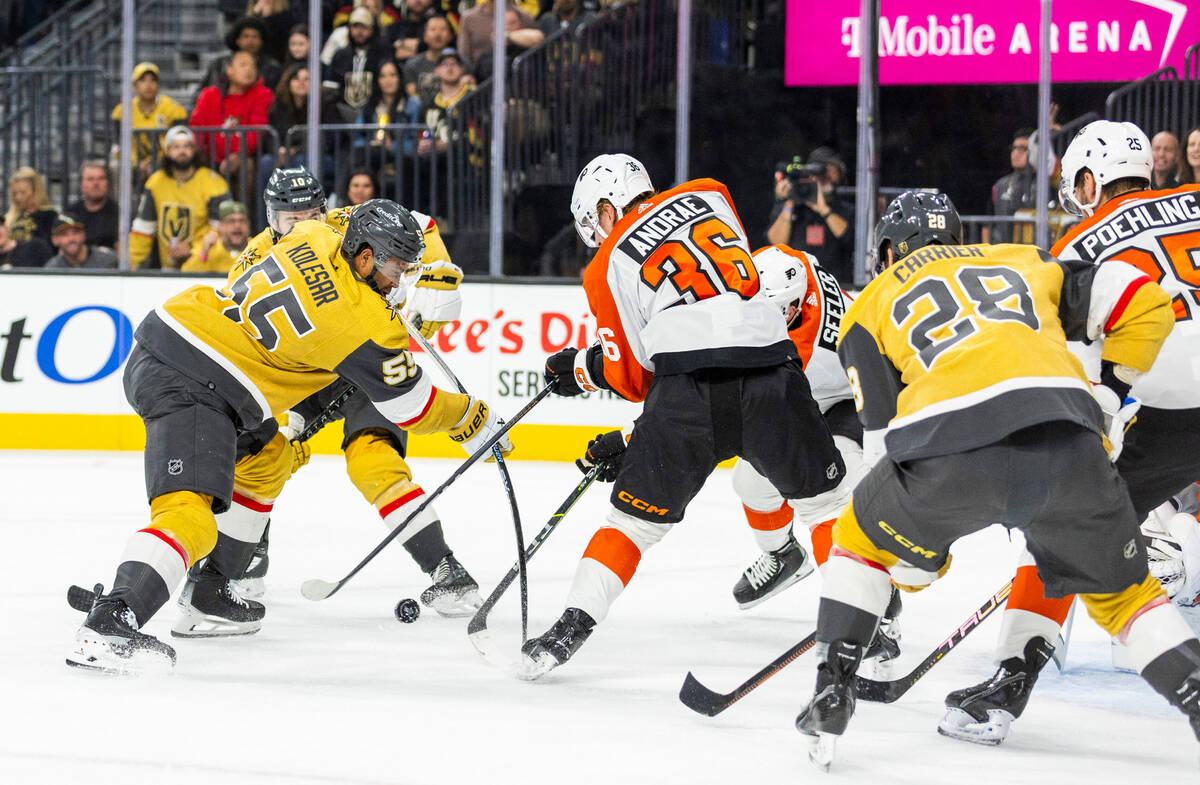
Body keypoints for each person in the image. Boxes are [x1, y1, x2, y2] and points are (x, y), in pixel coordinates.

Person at [793, 189, 1200, 770]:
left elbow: (885, 449)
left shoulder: (869, 304)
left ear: (887, 249)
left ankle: (832, 689)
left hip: (948, 453)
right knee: (1126, 596)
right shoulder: (1024, 258)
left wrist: (918, 558)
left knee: (856, 539)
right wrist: (1105, 402)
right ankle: (1194, 688)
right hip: (1068, 441)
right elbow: (1147, 302)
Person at [66, 197, 512, 672]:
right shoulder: (362, 324)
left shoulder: (315, 234)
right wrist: (475, 419)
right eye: (396, 268)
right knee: (189, 517)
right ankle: (111, 620)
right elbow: (415, 407)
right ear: (364, 257)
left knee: (269, 459)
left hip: (187, 340)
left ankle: (210, 593)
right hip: (195, 379)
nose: (398, 281)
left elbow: (354, 216)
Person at [523, 153, 847, 679]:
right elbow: (719, 305)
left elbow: (636, 376)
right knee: (826, 506)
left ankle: (565, 634)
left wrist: (584, 370)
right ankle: (876, 623)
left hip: (688, 393)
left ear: (606, 211)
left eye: (596, 227)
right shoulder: (712, 192)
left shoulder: (606, 265)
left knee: (628, 526)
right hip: (772, 368)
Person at [939, 120, 1200, 745]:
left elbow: (1078, 373)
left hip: (1173, 403)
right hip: (1175, 410)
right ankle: (1180, 563)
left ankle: (1008, 682)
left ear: (1090, 179)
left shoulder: (1082, 243)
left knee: (1062, 529)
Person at [178, 168, 480, 633]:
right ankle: (242, 563)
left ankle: (446, 570)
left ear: (324, 209)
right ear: (269, 215)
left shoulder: (350, 221)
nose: (301, 225)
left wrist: (439, 279)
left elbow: (423, 226)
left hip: (374, 357)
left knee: (373, 461)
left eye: (310, 215)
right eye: (288, 217)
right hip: (308, 373)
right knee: (266, 454)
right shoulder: (253, 258)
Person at [129, 126, 231, 270]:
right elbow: (143, 229)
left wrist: (192, 248)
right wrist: (132, 261)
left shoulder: (213, 183)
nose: (182, 151)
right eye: (176, 147)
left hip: (205, 268)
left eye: (187, 146)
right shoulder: (156, 182)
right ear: (167, 151)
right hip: (168, 269)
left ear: (194, 150)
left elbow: (223, 230)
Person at [190, 51, 275, 198]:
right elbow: (197, 127)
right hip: (211, 157)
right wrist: (197, 155)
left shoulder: (263, 94)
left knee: (246, 165)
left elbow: (257, 131)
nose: (249, 70)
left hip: (244, 157)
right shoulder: (209, 94)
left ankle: (242, 217)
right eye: (243, 65)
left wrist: (238, 154)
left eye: (252, 66)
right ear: (229, 69)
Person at [765, 148, 854, 286]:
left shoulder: (845, 209)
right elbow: (775, 242)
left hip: (834, 285)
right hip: (796, 284)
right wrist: (790, 201)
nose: (822, 178)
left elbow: (848, 237)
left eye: (830, 171)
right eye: (818, 173)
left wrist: (823, 209)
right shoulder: (793, 205)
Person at [110, 62, 188, 186]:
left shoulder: (173, 110)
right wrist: (136, 164)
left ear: (158, 85)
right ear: (135, 86)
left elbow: (179, 144)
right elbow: (117, 146)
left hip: (164, 161)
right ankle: (122, 204)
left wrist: (151, 162)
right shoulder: (121, 111)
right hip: (132, 163)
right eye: (142, 80)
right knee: (115, 166)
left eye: (153, 80)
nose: (148, 85)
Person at [326, 6, 393, 121]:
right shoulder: (340, 55)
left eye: (364, 27)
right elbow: (332, 87)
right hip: (343, 114)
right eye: (355, 26)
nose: (359, 31)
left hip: (374, 111)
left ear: (372, 29)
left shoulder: (382, 53)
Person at [198, 16, 282, 101]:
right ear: (237, 40)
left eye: (255, 36)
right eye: (246, 36)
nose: (250, 41)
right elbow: (201, 93)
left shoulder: (272, 67)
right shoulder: (220, 64)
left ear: (262, 41)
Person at [982, 128, 1037, 244]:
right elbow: (987, 223)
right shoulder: (1000, 185)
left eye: (1022, 148)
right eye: (1014, 148)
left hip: (1031, 255)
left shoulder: (1044, 185)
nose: (1015, 153)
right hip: (1001, 254)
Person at [416, 49, 474, 158]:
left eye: (454, 64)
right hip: (434, 164)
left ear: (462, 69)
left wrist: (447, 146)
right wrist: (421, 146)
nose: (449, 68)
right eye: (444, 64)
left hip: (463, 163)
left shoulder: (472, 98)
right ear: (436, 71)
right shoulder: (429, 104)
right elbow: (420, 135)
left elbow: (477, 138)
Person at [457, 0, 539, 68]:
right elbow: (464, 53)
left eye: (513, 23)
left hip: (517, 66)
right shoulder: (469, 18)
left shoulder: (522, 15)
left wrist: (508, 37)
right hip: (482, 73)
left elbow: (537, 40)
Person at [182, 200, 251, 273]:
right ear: (221, 226)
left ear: (248, 225)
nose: (237, 226)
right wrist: (204, 253)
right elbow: (185, 276)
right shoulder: (209, 247)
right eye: (231, 221)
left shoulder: (257, 245)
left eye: (242, 221)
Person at [65, 161, 119, 251]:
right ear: (81, 185)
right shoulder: (71, 213)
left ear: (107, 183)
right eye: (90, 179)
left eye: (101, 178)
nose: (96, 184)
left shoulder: (118, 214)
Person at [402, 14, 455, 100]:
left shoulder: (460, 64)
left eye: (442, 29)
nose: (438, 34)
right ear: (425, 36)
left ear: (450, 36)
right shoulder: (412, 65)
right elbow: (413, 97)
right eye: (433, 29)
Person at [5, 166, 58, 248]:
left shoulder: (49, 215)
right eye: (14, 193)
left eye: (23, 192)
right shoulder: (10, 218)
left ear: (36, 191)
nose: (18, 197)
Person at [44, 214, 119, 269]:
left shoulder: (108, 260)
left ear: (84, 235)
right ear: (54, 240)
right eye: (64, 235)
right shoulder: (52, 268)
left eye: (76, 232)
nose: (71, 239)